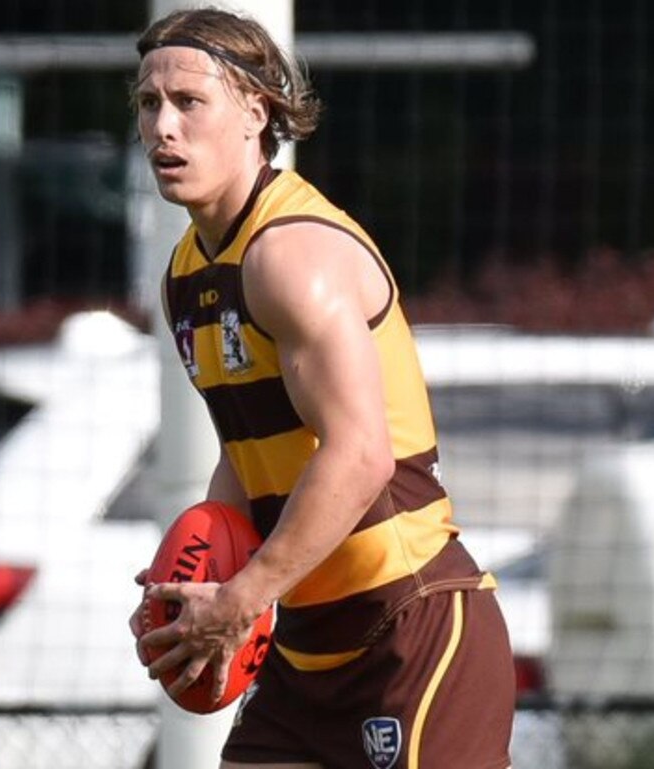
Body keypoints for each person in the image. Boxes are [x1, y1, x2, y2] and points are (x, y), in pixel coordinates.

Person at [128, 7, 514, 768]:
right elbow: (246, 453)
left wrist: (240, 600)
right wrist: (198, 579)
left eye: (188, 102)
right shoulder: (187, 275)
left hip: (412, 629)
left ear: (255, 113)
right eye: (148, 103)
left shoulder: (291, 255)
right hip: (306, 653)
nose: (162, 127)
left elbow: (361, 456)